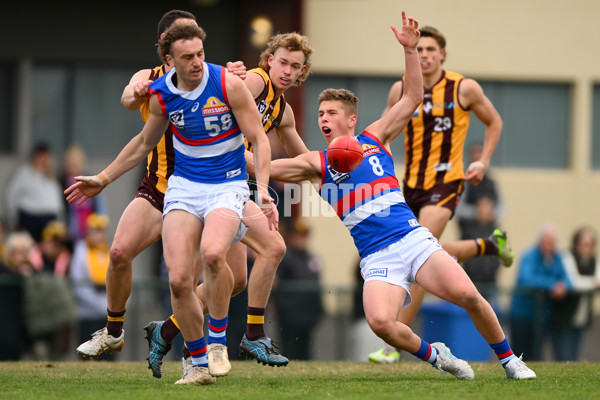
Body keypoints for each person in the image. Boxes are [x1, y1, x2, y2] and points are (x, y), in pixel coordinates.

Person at [246, 11, 535, 380]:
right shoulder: (315, 164)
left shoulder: (374, 136)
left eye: (332, 113)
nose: (323, 119)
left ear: (351, 119)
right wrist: (223, 129)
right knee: (381, 322)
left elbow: (413, 94)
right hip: (376, 256)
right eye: (320, 113)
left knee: (469, 297)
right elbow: (258, 165)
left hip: (413, 241)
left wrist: (410, 50)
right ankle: (438, 356)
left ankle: (511, 361)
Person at [66, 9, 279, 380]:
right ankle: (187, 358)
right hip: (176, 187)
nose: (197, 62)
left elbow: (260, 138)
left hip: (226, 187)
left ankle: (217, 344)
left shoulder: (226, 81)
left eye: (200, 53)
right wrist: (103, 178)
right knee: (177, 279)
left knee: (222, 259)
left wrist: (262, 191)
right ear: (167, 57)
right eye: (187, 56)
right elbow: (141, 138)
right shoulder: (159, 89)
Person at [143, 30, 314, 375]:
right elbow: (225, 128)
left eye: (295, 66)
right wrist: (265, 175)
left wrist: (337, 173)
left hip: (234, 187)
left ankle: (166, 331)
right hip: (211, 182)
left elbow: (307, 162)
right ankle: (248, 335)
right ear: (269, 61)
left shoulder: (283, 110)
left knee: (234, 279)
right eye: (282, 61)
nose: (287, 70)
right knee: (269, 248)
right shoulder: (253, 82)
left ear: (301, 73)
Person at [369, 24, 509, 363]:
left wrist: (483, 161)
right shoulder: (400, 89)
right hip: (409, 185)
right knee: (418, 249)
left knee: (418, 249)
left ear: (442, 54)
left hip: (446, 183)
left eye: (431, 50)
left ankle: (394, 344)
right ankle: (488, 245)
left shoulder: (464, 88)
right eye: (420, 50)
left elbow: (494, 121)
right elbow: (385, 134)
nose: (425, 55)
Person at [509, 223, 571, 361]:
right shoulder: (529, 256)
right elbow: (527, 278)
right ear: (540, 241)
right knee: (520, 353)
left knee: (536, 353)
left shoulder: (558, 258)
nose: (548, 246)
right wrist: (552, 285)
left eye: (551, 243)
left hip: (541, 316)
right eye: (546, 242)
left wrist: (563, 286)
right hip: (521, 315)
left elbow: (567, 278)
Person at [273, 217, 323, 360]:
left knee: (305, 351)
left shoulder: (312, 258)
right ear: (292, 237)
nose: (302, 240)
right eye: (299, 236)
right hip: (289, 316)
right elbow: (276, 283)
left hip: (308, 314)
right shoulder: (286, 257)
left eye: (305, 236)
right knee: (290, 349)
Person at [69, 214, 115, 361]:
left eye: (102, 230)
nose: (99, 234)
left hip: (108, 316)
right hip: (88, 315)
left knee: (108, 357)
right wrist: (101, 305)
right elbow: (79, 285)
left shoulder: (109, 250)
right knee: (88, 356)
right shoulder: (81, 251)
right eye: (95, 230)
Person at [550, 226, 600, 361]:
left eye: (591, 244)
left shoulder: (594, 261)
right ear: (576, 243)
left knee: (573, 357)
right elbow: (573, 281)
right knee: (563, 357)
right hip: (563, 318)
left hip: (581, 318)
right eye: (584, 244)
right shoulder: (567, 257)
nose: (587, 248)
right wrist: (592, 282)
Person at [5, 142, 66, 242]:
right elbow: (11, 194)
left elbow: (57, 201)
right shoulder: (24, 172)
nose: (42, 159)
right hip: (29, 217)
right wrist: (12, 218)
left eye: (45, 156)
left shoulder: (52, 176)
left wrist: (61, 222)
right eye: (40, 156)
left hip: (49, 219)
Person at [61, 144, 108, 242]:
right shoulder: (62, 183)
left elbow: (101, 208)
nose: (72, 169)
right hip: (72, 233)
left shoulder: (91, 181)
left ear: (81, 164)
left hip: (91, 230)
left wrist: (101, 226)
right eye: (70, 165)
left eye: (75, 165)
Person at [0, 231, 35, 360]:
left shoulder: (33, 273)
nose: (19, 257)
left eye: (23, 252)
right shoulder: (3, 272)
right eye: (15, 252)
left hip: (24, 327)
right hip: (5, 328)